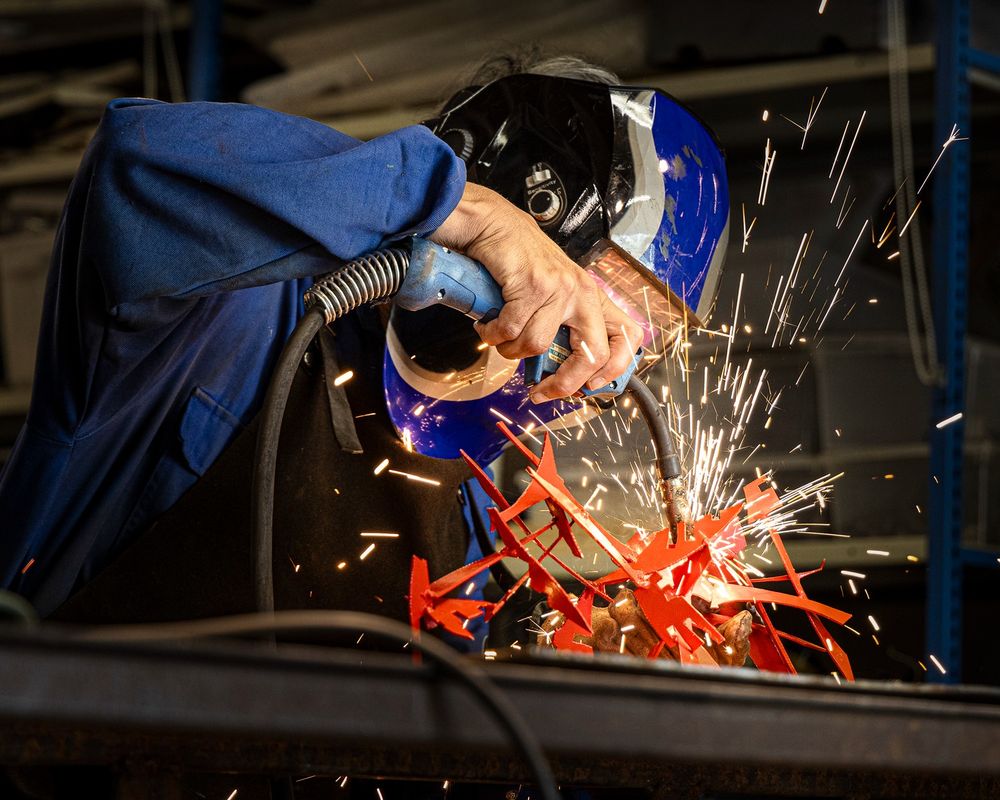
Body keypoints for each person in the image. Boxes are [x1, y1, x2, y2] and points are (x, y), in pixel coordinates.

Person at [0, 55, 728, 646]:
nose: (607, 354)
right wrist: (462, 210)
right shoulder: (225, 321)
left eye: (643, 337)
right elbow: (135, 167)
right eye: (606, 300)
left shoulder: (472, 505)